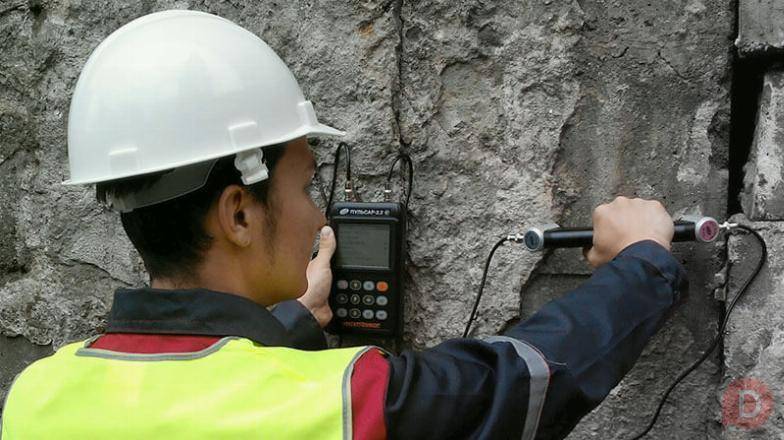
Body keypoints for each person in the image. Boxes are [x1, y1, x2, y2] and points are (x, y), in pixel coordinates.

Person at [0, 10, 685, 440]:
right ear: (239, 213)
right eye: (304, 186)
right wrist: (643, 260)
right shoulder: (347, 400)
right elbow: (527, 378)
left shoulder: (36, 395)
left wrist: (293, 320)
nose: (318, 214)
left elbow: (197, 394)